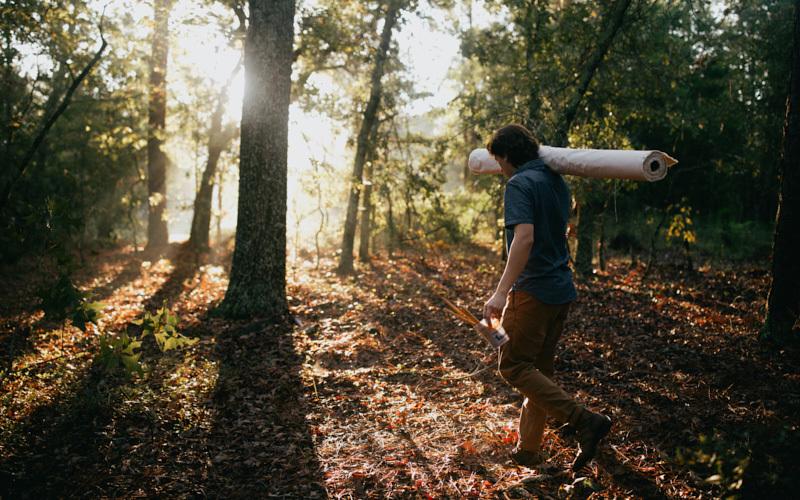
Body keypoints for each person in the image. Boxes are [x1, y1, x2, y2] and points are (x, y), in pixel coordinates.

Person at [482, 123, 611, 472]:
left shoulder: (519, 183)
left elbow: (524, 239)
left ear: (507, 156)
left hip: (534, 291)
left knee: (512, 365)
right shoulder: (557, 180)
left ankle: (583, 419)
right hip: (561, 291)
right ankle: (528, 450)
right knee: (539, 373)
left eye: (498, 160)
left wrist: (500, 292)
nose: (499, 168)